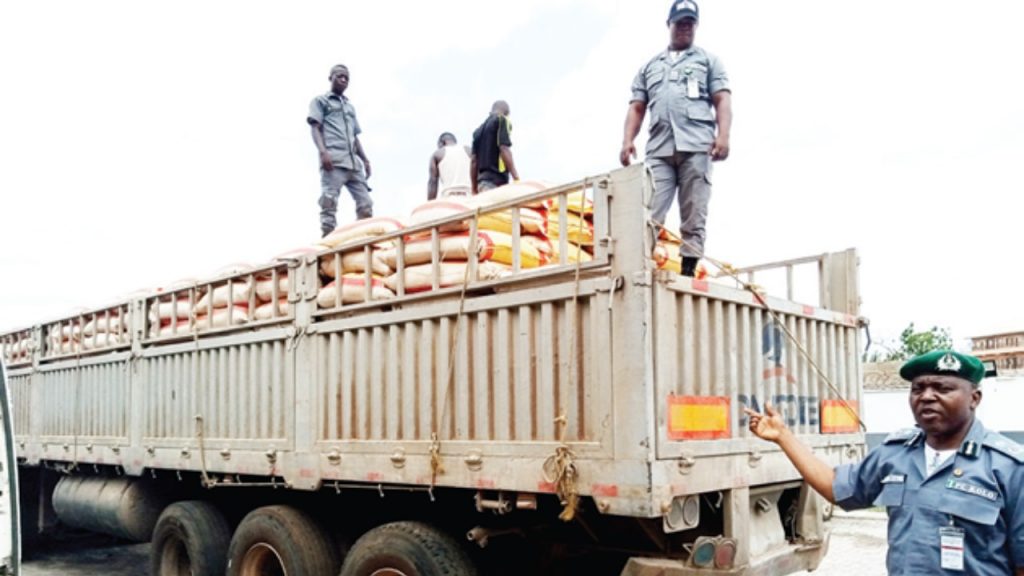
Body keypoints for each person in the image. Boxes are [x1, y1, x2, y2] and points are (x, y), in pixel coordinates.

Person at [745, 350, 1024, 575]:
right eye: (918, 388)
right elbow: (837, 488)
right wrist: (783, 437)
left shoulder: (1009, 467)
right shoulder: (895, 454)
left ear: (974, 398)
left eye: (942, 388)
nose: (926, 396)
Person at [620, 0, 732, 277]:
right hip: (659, 149)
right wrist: (627, 140)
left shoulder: (708, 61)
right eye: (679, 23)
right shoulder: (650, 67)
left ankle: (688, 270)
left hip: (697, 145)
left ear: (695, 27)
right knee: (649, 209)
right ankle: (640, 266)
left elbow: (723, 100)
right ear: (669, 24)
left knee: (694, 210)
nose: (684, 28)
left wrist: (724, 136)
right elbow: (637, 107)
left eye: (689, 24)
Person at [307, 64, 373, 237]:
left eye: (346, 78)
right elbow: (315, 128)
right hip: (333, 161)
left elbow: (355, 137)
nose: (343, 80)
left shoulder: (350, 107)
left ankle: (363, 240)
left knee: (365, 204)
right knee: (329, 204)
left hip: (353, 164)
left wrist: (365, 160)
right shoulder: (321, 101)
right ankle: (327, 243)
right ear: (331, 78)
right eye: (340, 76)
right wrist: (323, 152)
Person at [471, 100, 519, 193]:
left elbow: (473, 161)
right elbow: (504, 148)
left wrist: (474, 189)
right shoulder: (502, 120)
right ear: (506, 113)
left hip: (483, 185)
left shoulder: (477, 132)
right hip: (496, 184)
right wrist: (516, 178)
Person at [428, 132, 472, 200]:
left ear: (442, 143)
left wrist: (430, 206)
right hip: (470, 197)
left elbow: (432, 182)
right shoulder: (469, 150)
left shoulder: (437, 154)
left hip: (449, 198)